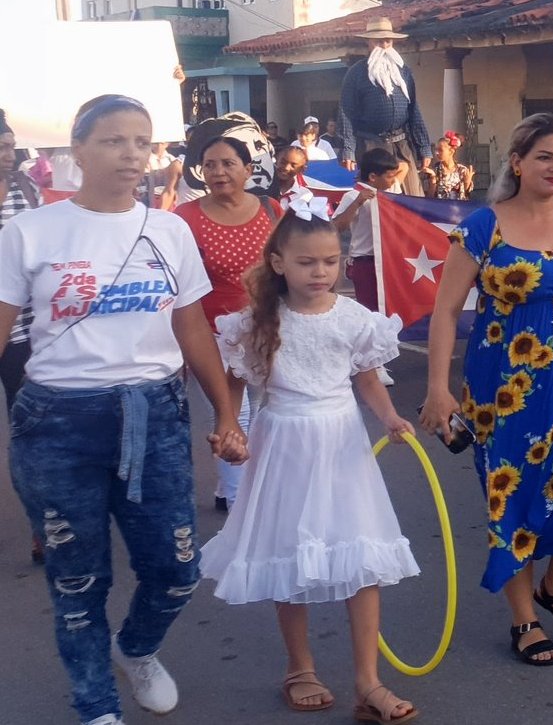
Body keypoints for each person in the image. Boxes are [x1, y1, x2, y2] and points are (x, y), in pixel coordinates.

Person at [0, 94, 249, 725]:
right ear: (75, 151)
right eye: (113, 140)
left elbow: (192, 328)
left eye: (142, 141)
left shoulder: (169, 231)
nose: (131, 153)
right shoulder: (28, 232)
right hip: (56, 422)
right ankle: (96, 707)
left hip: (155, 415)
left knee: (177, 569)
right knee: (77, 582)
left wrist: (223, 413)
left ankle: (135, 649)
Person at [199, 196, 419, 723]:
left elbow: (364, 374)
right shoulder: (258, 320)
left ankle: (368, 681)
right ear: (278, 262)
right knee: (288, 551)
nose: (319, 272)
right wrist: (228, 424)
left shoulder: (353, 316)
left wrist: (389, 417)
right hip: (284, 444)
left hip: (342, 445)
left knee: (361, 555)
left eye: (329, 261)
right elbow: (233, 376)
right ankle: (300, 667)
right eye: (306, 262)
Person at [419, 114, 553, 667]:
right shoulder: (485, 227)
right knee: (515, 501)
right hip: (502, 394)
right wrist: (438, 389)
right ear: (517, 162)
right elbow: (443, 311)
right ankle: (523, 619)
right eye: (544, 157)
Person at [172, 136, 279, 511]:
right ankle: (240, 502)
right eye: (210, 164)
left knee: (265, 411)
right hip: (211, 335)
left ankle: (227, 487)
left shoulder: (270, 209)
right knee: (234, 413)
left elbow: (285, 265)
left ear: (249, 170)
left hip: (267, 331)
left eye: (228, 163)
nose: (218, 172)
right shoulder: (183, 219)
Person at [0, 111, 45, 563]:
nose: (7, 155)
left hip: (23, 336)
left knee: (29, 434)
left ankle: (42, 528)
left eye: (10, 146)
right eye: (0, 147)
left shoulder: (26, 191)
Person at [335, 19, 432, 197]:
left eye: (388, 41)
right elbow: (346, 112)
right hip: (371, 145)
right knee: (376, 199)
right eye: (379, 41)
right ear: (368, 43)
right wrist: (348, 150)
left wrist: (424, 147)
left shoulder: (404, 72)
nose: (384, 45)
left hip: (401, 144)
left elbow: (413, 111)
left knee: (413, 197)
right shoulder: (356, 73)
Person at [331, 148, 409, 313]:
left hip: (390, 259)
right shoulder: (353, 196)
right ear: (373, 177)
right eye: (389, 177)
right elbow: (337, 226)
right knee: (369, 309)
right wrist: (357, 203)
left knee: (392, 308)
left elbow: (404, 166)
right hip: (365, 261)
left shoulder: (390, 192)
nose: (393, 180)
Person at [426, 133, 475, 201]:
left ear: (451, 151)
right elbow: (429, 198)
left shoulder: (462, 170)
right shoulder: (435, 170)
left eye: (440, 150)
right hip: (440, 209)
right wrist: (432, 180)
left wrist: (467, 183)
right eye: (436, 150)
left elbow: (466, 195)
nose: (436, 153)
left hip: (459, 209)